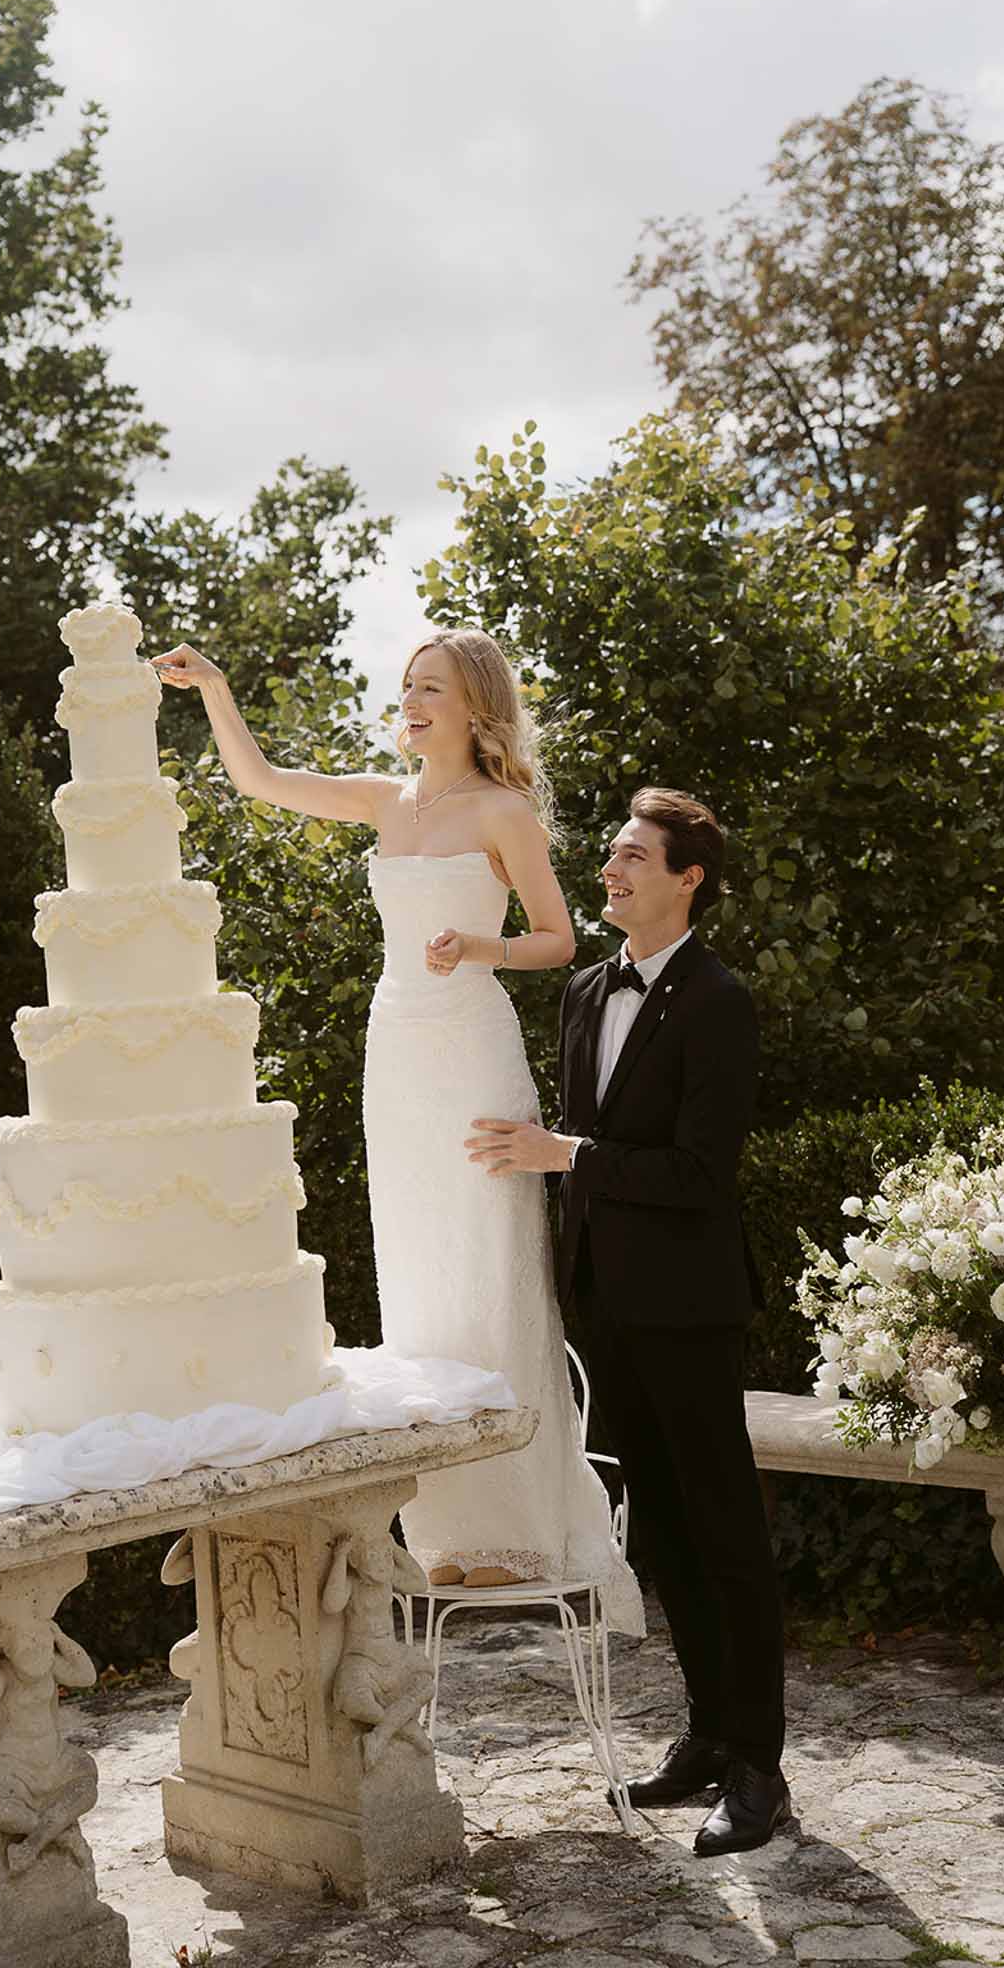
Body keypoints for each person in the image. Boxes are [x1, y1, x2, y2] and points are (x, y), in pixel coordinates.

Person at [151, 630, 642, 1623]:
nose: (411, 701)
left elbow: (559, 939)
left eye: (431, 688)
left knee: (489, 1265)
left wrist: (478, 945)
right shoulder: (387, 799)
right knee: (420, 1273)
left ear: (474, 707)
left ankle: (517, 1524)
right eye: (407, 686)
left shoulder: (503, 810)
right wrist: (215, 685)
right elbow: (259, 780)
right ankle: (450, 1534)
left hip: (469, 1048)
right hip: (397, 1054)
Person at [465, 788, 789, 1856]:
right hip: (605, 1300)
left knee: (724, 1532)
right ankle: (703, 1735)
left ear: (688, 877)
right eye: (609, 854)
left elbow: (700, 1172)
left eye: (633, 857)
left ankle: (758, 1768)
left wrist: (568, 1154)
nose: (610, 870)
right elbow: (585, 1143)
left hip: (690, 1307)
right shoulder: (584, 991)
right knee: (655, 1530)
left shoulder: (719, 1000)